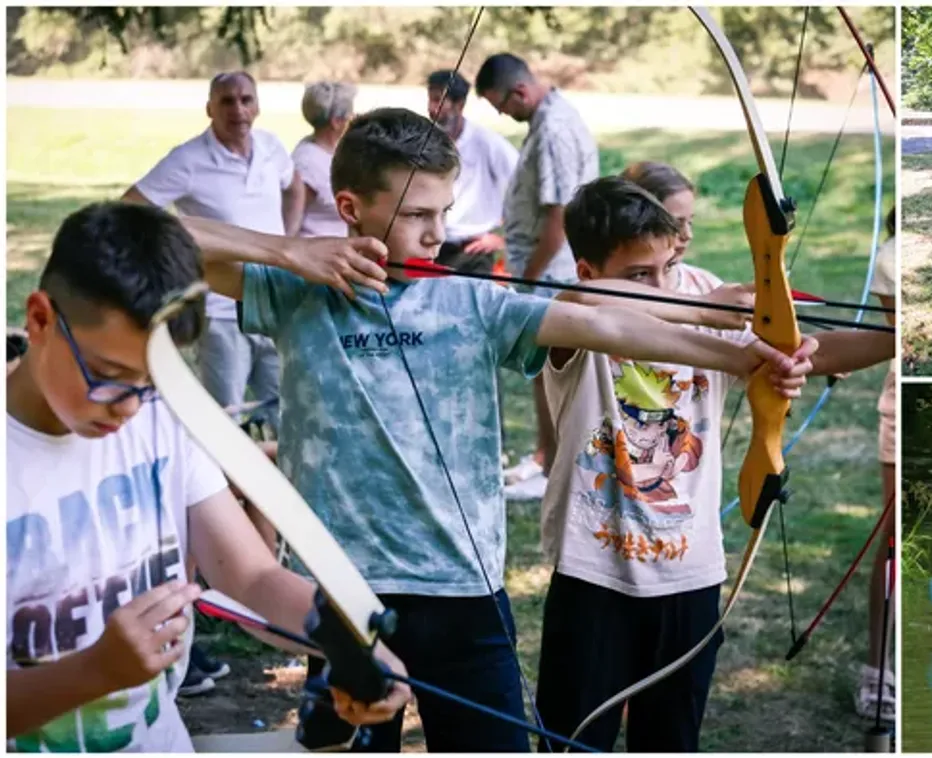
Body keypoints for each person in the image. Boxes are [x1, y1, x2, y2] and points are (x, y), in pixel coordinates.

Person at [180, 107, 813, 752]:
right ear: (349, 207)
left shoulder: (473, 301)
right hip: (343, 591)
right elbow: (136, 236)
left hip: (464, 592)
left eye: (444, 212)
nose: (436, 233)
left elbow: (607, 326)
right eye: (415, 215)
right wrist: (287, 250)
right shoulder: (294, 291)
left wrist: (743, 354)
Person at [5, 201, 410, 752]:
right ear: (39, 319)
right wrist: (95, 671)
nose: (128, 407)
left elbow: (251, 576)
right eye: (108, 376)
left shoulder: (162, 416)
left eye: (151, 379)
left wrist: (349, 643)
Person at [530, 172, 895, 751]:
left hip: (689, 576)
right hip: (594, 574)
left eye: (665, 266)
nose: (660, 282)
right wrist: (695, 305)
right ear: (589, 269)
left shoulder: (699, 288)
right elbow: (586, 307)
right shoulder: (578, 311)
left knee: (671, 740)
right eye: (639, 276)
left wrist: (892, 333)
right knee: (574, 738)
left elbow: (802, 350)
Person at [121, 69, 296, 694]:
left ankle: (263, 543)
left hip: (272, 309)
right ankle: (221, 555)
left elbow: (291, 187)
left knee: (274, 421)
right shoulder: (189, 160)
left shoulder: (273, 147)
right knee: (221, 431)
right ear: (210, 106)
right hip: (219, 314)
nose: (239, 109)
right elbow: (132, 211)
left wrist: (288, 241)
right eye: (228, 100)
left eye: (247, 98)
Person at [475, 53, 600, 501]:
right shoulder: (544, 121)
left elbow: (558, 215)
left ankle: (556, 469)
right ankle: (545, 455)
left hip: (555, 271)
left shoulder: (553, 129)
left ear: (520, 92)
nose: (502, 115)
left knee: (553, 369)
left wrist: (526, 276)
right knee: (542, 370)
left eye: (501, 105)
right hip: (544, 268)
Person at [857, 204, 896, 722]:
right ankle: (877, 667)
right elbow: (893, 340)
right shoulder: (892, 256)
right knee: (892, 539)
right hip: (898, 403)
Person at [426, 69, 519, 274]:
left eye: (438, 101)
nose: (432, 109)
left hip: (472, 252)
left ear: (459, 105)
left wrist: (502, 239)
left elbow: (526, 192)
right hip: (429, 247)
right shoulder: (424, 141)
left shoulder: (489, 144)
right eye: (430, 100)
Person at [293, 81, 357, 238]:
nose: (353, 117)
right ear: (336, 122)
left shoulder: (337, 151)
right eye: (350, 113)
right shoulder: (307, 163)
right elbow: (292, 219)